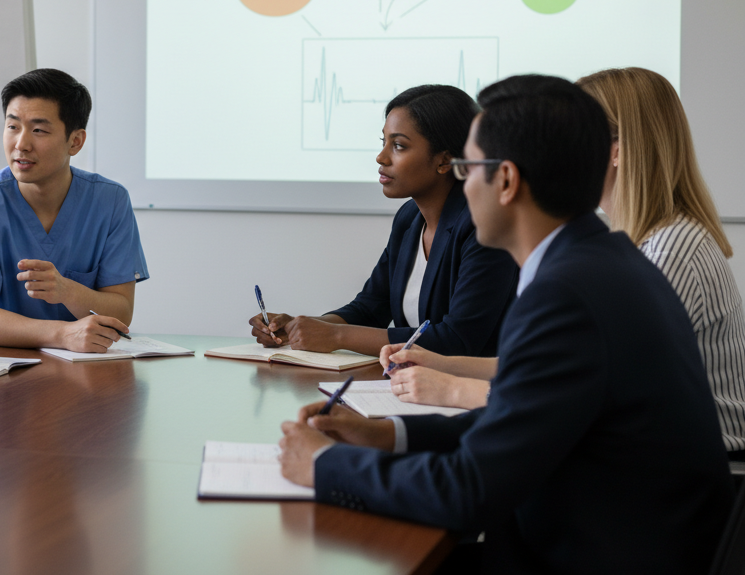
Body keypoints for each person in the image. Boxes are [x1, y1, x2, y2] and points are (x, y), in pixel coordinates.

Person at [278, 75, 732, 572]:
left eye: (468, 168)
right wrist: (388, 434)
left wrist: (322, 464)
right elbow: (518, 416)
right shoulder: (603, 262)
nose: (463, 185)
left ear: (507, 181)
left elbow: (469, 490)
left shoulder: (566, 296)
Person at [383, 68, 745, 458]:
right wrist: (444, 365)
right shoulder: (623, 244)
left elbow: (571, 396)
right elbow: (556, 369)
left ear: (614, 151)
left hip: (700, 461)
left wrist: (452, 388)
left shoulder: (666, 252)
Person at [249, 85, 517, 357]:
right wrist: (299, 327)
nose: (381, 157)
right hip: (413, 379)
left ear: (445, 161)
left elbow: (456, 339)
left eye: (398, 145)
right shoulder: (409, 218)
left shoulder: (485, 227)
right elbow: (370, 308)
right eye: (384, 142)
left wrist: (336, 335)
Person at [0, 68, 148, 352]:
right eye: (13, 127)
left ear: (75, 141)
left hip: (83, 366)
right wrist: (62, 334)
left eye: (38, 130)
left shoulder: (110, 201)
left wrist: (68, 291)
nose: (21, 144)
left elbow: (121, 313)